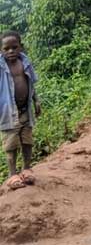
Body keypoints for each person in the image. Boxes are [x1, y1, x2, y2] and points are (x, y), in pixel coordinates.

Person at [0, 31, 41, 191]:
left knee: (27, 140)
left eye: (14, 47)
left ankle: (26, 169)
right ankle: (12, 175)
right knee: (11, 144)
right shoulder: (1, 66)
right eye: (6, 48)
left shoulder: (25, 62)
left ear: (20, 47)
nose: (11, 51)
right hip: (7, 111)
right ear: (2, 50)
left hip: (25, 110)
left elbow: (31, 83)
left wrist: (36, 100)